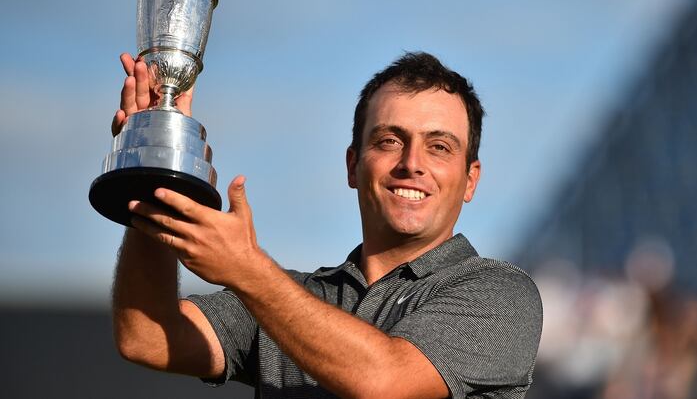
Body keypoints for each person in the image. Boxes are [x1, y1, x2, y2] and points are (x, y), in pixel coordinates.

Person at [111, 51, 543, 398]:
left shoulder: (501, 293)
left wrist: (248, 271)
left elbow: (386, 382)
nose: (412, 164)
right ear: (353, 165)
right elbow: (145, 335)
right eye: (389, 141)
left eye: (440, 147)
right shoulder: (287, 296)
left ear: (470, 180)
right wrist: (155, 171)